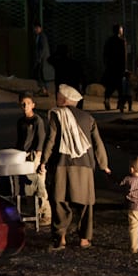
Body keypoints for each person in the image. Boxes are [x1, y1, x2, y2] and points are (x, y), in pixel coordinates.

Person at [41, 84, 110, 250]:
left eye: (58, 97)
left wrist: (43, 161)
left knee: (59, 200)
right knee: (86, 203)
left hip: (61, 164)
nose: (56, 99)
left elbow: (51, 139)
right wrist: (104, 165)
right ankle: (84, 239)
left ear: (64, 100)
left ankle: (61, 237)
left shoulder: (56, 115)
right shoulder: (88, 118)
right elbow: (98, 143)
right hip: (84, 165)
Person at [14, 92, 52, 226]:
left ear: (33, 105)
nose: (25, 106)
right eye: (23, 104)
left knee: (39, 183)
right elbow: (20, 140)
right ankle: (35, 212)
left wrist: (39, 158)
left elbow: (41, 139)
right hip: (22, 155)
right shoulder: (21, 121)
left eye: (28, 103)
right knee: (28, 184)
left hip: (34, 155)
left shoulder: (37, 121)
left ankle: (46, 213)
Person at [102, 24, 131, 112]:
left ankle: (107, 99)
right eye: (121, 29)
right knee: (120, 87)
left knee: (110, 85)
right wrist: (124, 68)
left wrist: (106, 64)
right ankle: (120, 104)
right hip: (119, 67)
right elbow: (124, 56)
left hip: (110, 67)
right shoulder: (122, 41)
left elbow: (105, 54)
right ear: (119, 31)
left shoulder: (109, 41)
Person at [32, 23, 55, 97]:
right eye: (35, 28)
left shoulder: (42, 36)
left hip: (43, 59)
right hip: (42, 58)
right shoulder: (40, 36)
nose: (35, 30)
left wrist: (39, 58)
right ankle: (44, 90)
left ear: (40, 28)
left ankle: (44, 90)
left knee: (41, 74)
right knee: (41, 75)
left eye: (36, 28)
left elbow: (43, 48)